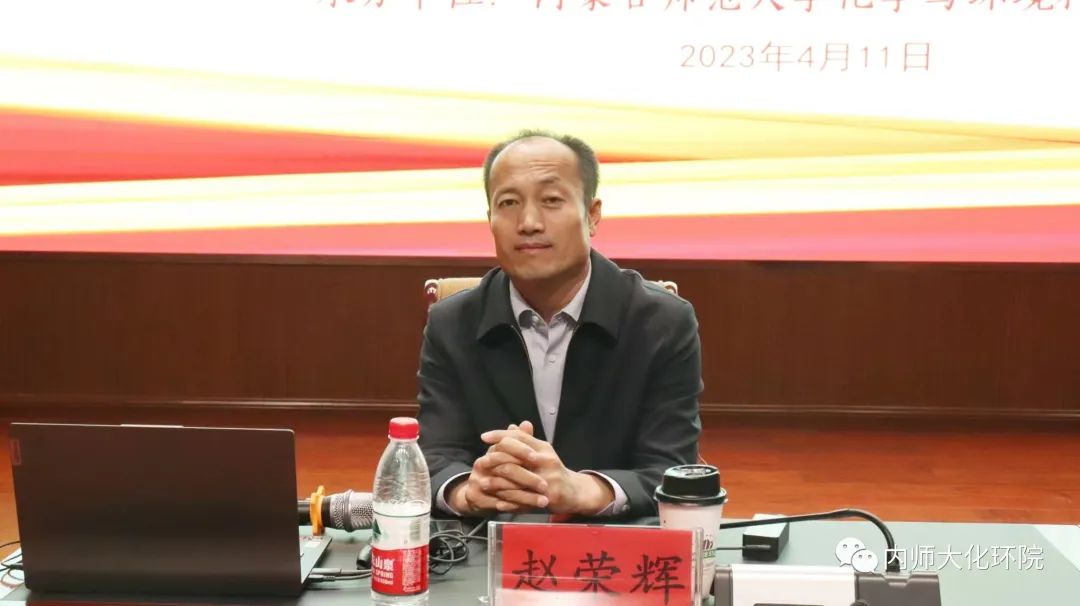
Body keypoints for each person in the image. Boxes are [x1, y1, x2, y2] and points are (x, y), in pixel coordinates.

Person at [417, 130, 702, 519]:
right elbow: (433, 457)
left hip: (615, 541)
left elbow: (672, 468)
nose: (529, 222)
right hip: (490, 540)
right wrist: (468, 490)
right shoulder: (452, 323)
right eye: (508, 203)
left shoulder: (660, 322)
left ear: (592, 215)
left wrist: (581, 489)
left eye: (551, 200)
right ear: (490, 220)